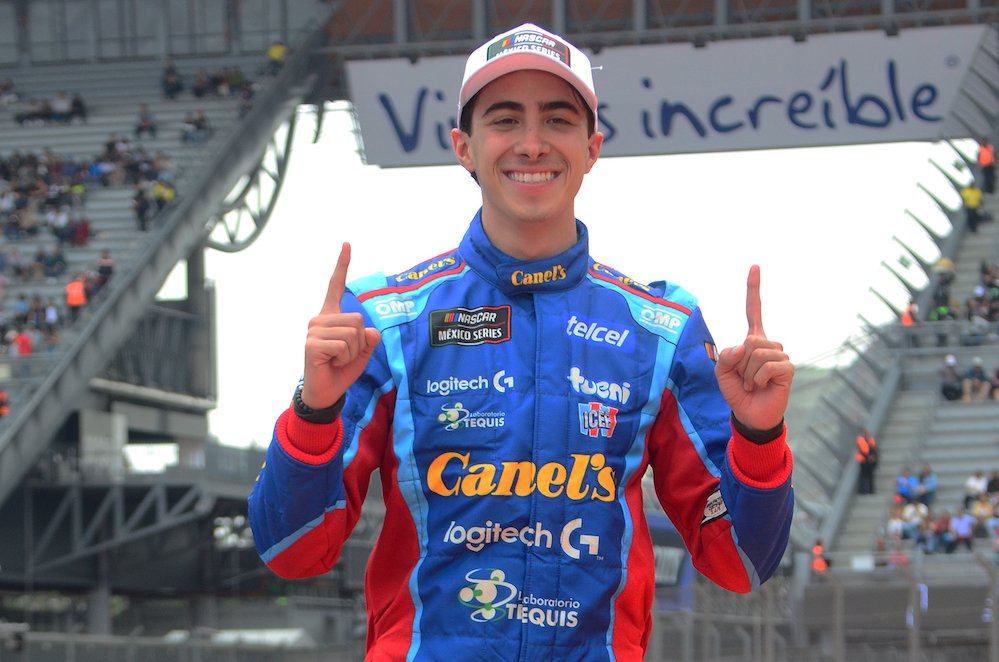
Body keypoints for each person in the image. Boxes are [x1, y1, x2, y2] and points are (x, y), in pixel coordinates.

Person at [247, 23, 795, 661]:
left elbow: (741, 562)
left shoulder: (661, 329)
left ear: (591, 148)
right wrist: (313, 412)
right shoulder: (383, 321)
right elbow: (292, 551)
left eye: (558, 120)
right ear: (464, 147)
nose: (532, 144)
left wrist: (760, 436)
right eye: (505, 120)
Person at [855, 427, 878, 495]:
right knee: (864, 477)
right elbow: (864, 451)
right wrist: (869, 457)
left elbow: (874, 450)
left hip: (869, 462)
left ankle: (870, 490)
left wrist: (874, 457)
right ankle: (863, 490)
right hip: (864, 461)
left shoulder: (871, 441)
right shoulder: (861, 440)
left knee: (870, 476)